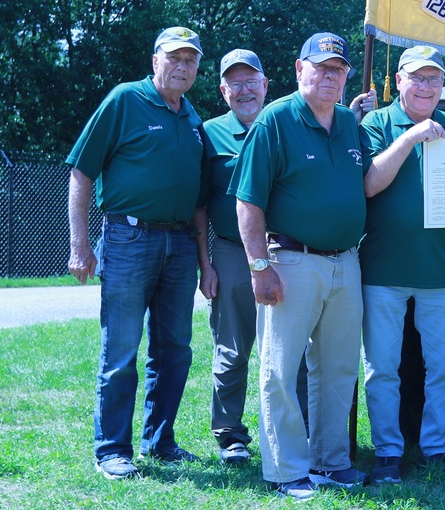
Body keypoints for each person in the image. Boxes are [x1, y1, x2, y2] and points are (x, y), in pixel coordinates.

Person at [203, 49, 376, 468]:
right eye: (321, 68)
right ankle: (285, 469)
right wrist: (260, 268)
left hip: (345, 261)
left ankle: (330, 462)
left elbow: (370, 181)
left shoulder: (350, 123)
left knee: (337, 370)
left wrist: (408, 138)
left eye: (338, 69)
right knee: (280, 370)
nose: (329, 77)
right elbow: (247, 201)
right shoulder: (274, 120)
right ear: (299, 69)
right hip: (291, 259)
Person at [67, 26, 214, 480]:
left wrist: (206, 262)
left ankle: (160, 440)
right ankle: (112, 448)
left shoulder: (192, 117)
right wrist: (79, 244)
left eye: (190, 60)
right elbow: (81, 171)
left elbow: (199, 201)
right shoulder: (124, 100)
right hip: (128, 239)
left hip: (180, 245)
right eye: (174, 57)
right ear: (155, 61)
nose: (182, 66)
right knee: (122, 349)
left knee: (176, 349)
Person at [359, 45, 445, 484]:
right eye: (418, 78)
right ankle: (388, 452)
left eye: (434, 79)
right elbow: (370, 184)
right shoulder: (376, 123)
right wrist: (410, 136)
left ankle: (437, 447)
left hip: (441, 269)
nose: (426, 86)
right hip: (383, 270)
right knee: (382, 369)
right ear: (399, 81)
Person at [201, 49, 269, 465]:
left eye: (251, 81)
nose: (244, 90)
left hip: (284, 249)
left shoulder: (283, 123)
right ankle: (231, 436)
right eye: (235, 83)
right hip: (229, 250)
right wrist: (205, 263)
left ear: (265, 85)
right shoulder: (207, 133)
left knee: (289, 349)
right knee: (232, 348)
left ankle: (291, 430)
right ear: (224, 90)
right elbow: (199, 205)